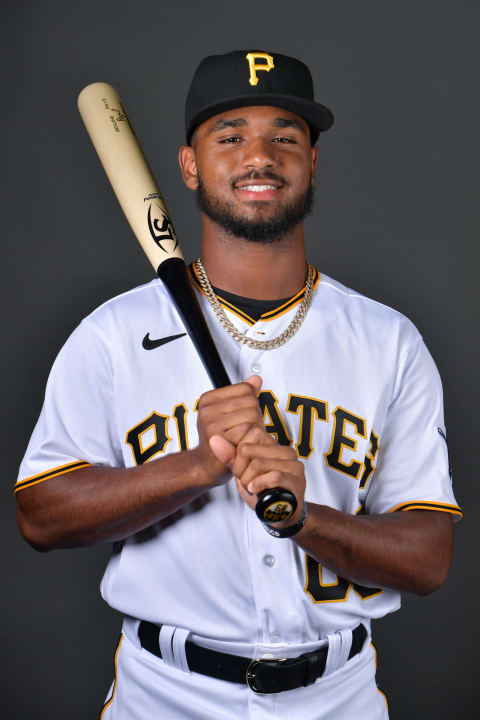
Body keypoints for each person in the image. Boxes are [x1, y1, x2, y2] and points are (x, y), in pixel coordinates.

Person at [16, 50, 461, 719]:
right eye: (229, 137)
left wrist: (304, 519)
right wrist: (197, 467)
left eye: (286, 136)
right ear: (190, 166)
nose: (261, 156)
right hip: (163, 696)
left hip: (337, 699)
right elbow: (39, 516)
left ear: (312, 160)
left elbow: (429, 559)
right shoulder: (112, 334)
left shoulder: (388, 341)